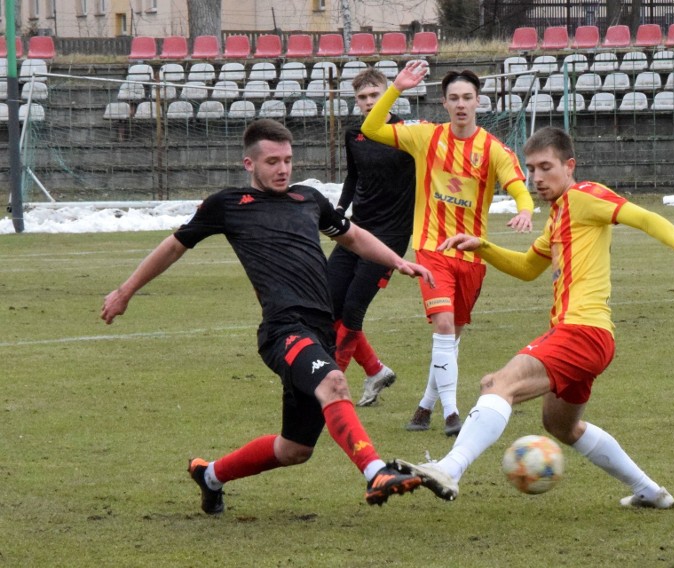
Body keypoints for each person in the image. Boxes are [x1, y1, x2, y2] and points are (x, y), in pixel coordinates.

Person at [100, 119, 433, 514]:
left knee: (295, 449)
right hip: (282, 331)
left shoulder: (309, 199)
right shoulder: (228, 205)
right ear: (249, 164)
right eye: (272, 161)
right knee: (335, 382)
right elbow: (173, 247)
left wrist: (397, 260)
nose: (283, 169)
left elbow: (353, 237)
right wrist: (125, 291)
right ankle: (376, 472)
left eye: (288, 160)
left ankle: (210, 476)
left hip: (318, 332)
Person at [393, 126, 674, 508]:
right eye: (530, 169)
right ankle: (650, 491)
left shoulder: (584, 195)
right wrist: (483, 247)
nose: (537, 178)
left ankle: (450, 468)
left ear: (569, 165)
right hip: (589, 336)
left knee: (499, 384)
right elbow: (528, 267)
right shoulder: (559, 215)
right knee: (560, 425)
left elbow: (640, 216)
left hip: (582, 330)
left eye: (546, 167)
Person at [360, 61, 535, 436]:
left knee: (450, 338)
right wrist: (397, 88)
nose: (460, 104)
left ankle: (424, 406)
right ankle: (453, 414)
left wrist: (524, 208)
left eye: (467, 98)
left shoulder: (493, 149)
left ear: (478, 102)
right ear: (444, 102)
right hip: (432, 250)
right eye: (453, 97)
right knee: (442, 326)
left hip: (472, 256)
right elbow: (370, 127)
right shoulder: (425, 136)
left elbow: (518, 185)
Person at [327, 68, 416, 407]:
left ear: (387, 95)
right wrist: (339, 207)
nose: (367, 102)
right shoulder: (356, 136)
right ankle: (375, 370)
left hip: (390, 238)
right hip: (356, 231)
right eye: (362, 97)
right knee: (328, 303)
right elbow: (353, 178)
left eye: (373, 95)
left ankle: (331, 388)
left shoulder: (407, 135)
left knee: (352, 310)